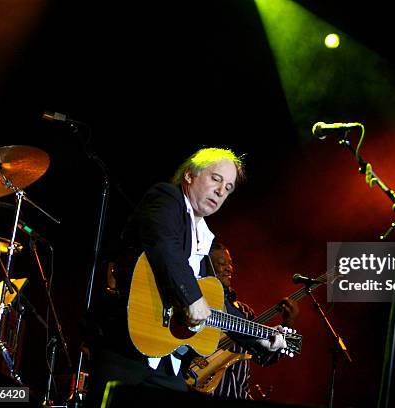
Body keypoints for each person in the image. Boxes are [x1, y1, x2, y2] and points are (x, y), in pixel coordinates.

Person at [86, 147, 288, 406]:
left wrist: (260, 336)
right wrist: (191, 297)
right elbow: (163, 244)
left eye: (228, 188)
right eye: (216, 179)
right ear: (191, 175)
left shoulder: (203, 239)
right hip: (126, 349)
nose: (221, 191)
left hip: (167, 365)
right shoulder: (167, 197)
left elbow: (218, 306)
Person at [207, 242, 299, 399]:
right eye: (222, 264)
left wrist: (288, 324)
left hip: (236, 394)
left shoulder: (245, 312)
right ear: (207, 266)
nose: (229, 268)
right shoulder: (198, 303)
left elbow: (264, 357)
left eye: (230, 263)